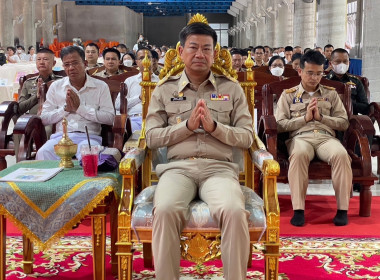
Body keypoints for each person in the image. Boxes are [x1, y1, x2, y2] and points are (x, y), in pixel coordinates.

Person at [145, 21, 253, 280]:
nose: (200, 54)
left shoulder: (231, 88)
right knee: (166, 209)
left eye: (207, 48)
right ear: (181, 51)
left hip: (219, 169)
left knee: (234, 210)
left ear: (215, 53)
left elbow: (247, 137)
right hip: (177, 169)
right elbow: (151, 138)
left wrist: (215, 127)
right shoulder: (165, 89)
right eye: (193, 47)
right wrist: (187, 127)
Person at [275, 50, 352, 227]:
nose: (314, 78)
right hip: (300, 137)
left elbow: (343, 123)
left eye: (319, 73)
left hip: (326, 138)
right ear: (300, 71)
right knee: (299, 154)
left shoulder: (331, 94)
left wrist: (321, 118)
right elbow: (279, 125)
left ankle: (342, 210)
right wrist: (305, 119)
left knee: (341, 155)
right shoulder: (288, 95)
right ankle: (299, 210)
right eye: (310, 73)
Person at [35, 46, 115, 161]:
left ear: (85, 63)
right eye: (67, 65)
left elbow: (110, 118)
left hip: (88, 137)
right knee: (44, 152)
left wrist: (80, 108)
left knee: (88, 155)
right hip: (60, 138)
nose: (71, 68)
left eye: (75, 63)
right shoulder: (56, 86)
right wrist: (65, 109)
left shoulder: (100, 86)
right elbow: (44, 119)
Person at [115, 47, 159, 132]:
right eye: (142, 58)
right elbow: (118, 105)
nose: (146, 60)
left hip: (154, 119)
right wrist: (139, 98)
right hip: (135, 119)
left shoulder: (159, 81)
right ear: (136, 62)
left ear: (152, 60)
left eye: (148, 57)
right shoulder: (130, 81)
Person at [18, 48, 62, 116]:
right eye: (38, 59)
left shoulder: (61, 82)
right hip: (33, 122)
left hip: (55, 120)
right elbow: (20, 108)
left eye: (45, 59)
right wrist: (37, 96)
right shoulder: (28, 82)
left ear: (53, 63)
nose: (41, 62)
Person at [326, 48, 369, 116]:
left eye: (345, 61)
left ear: (349, 63)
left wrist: (347, 101)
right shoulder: (324, 81)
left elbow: (365, 108)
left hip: (351, 121)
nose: (342, 64)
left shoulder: (356, 82)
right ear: (330, 64)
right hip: (328, 120)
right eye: (338, 61)